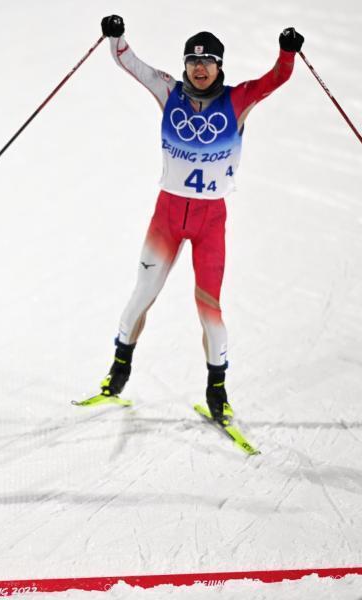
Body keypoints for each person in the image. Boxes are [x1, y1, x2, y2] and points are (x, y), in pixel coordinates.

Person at [96, 15, 304, 423]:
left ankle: (217, 392)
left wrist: (287, 50)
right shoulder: (168, 90)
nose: (200, 67)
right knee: (141, 295)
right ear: (186, 64)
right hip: (168, 216)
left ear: (219, 65)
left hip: (210, 220)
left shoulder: (238, 99)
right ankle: (118, 371)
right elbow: (129, 62)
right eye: (193, 61)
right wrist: (116, 35)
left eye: (208, 60)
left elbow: (276, 78)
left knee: (209, 308)